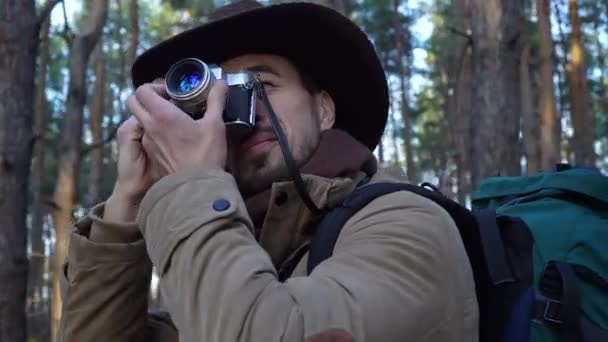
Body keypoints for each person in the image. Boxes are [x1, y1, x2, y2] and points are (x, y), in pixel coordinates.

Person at [58, 1, 478, 341]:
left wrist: (192, 183)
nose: (243, 110)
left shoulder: (403, 220)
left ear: (324, 109)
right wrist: (127, 206)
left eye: (262, 85)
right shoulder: (207, 243)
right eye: (215, 96)